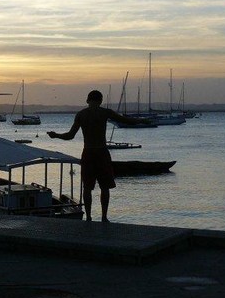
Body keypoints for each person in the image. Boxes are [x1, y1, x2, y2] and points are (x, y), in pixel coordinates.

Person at [48, 90, 150, 222]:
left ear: (87, 100)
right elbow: (127, 120)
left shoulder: (81, 114)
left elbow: (70, 136)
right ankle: (104, 217)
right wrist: (143, 121)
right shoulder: (105, 113)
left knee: (87, 187)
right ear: (101, 100)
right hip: (102, 152)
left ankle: (89, 217)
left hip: (88, 152)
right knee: (105, 186)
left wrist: (56, 135)